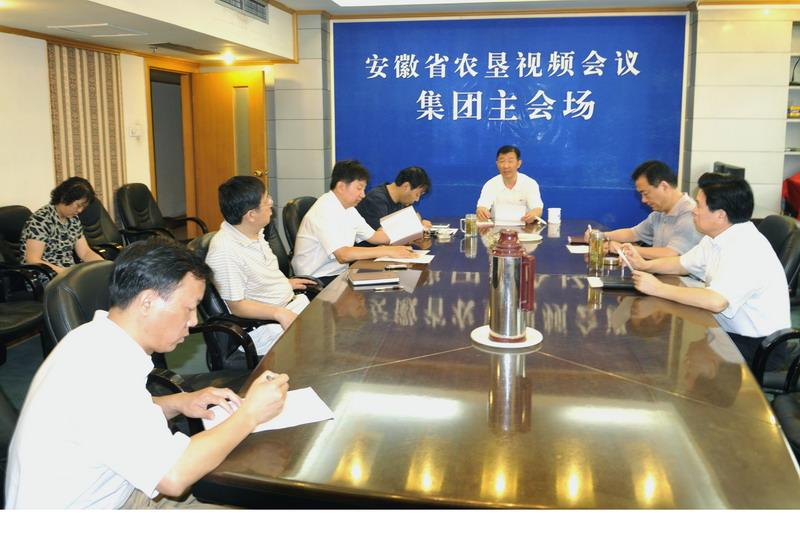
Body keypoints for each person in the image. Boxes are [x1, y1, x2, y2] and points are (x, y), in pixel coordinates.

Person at [5, 239, 290, 508]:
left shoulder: (94, 339)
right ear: (147, 302)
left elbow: (117, 415)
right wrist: (250, 413)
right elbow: (173, 476)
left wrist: (179, 402)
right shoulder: (101, 371)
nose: (193, 322)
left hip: (115, 491)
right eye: (189, 308)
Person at [622, 174, 790, 364]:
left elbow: (716, 301)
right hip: (726, 331)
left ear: (720, 215)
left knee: (672, 347)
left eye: (699, 205)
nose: (694, 211)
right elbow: (681, 264)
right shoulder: (716, 236)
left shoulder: (746, 248)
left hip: (758, 346)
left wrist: (658, 288)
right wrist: (645, 265)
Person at [205, 176, 316, 355]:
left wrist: (285, 284)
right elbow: (237, 306)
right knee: (328, 342)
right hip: (264, 328)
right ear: (251, 215)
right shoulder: (225, 250)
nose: (271, 202)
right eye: (266, 200)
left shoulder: (254, 232)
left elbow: (259, 277)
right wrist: (278, 313)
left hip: (287, 307)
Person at [291, 160, 417, 283]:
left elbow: (375, 237)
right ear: (341, 186)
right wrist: (387, 251)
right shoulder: (324, 209)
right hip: (315, 279)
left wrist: (413, 229)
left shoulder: (349, 209)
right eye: (359, 188)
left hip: (338, 274)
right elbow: (343, 255)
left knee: (392, 280)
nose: (363, 195)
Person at [583, 160, 702, 259]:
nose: (643, 200)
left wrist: (623, 249)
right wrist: (600, 235)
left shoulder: (691, 213)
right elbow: (633, 233)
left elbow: (671, 254)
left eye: (645, 193)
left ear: (664, 186)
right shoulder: (659, 213)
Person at [20, 176, 103, 274]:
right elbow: (33, 260)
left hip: (68, 273)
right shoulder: (41, 220)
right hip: (45, 275)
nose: (80, 210)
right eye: (78, 205)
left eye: (83, 207)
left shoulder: (73, 219)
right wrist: (67, 274)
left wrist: (105, 265)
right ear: (64, 198)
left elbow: (85, 252)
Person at [476, 145, 543, 224]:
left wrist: (534, 214)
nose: (506, 166)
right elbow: (482, 206)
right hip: (497, 228)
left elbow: (537, 208)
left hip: (525, 228)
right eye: (502, 161)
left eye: (510, 161)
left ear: (519, 163)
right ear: (497, 164)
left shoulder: (530, 184)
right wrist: (481, 211)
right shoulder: (490, 184)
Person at [356, 166, 432, 230]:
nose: (417, 200)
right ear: (406, 186)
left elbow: (415, 217)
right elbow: (384, 235)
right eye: (417, 194)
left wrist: (421, 222)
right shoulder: (376, 199)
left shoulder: (403, 200)